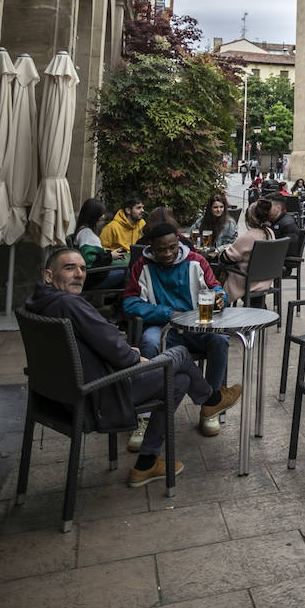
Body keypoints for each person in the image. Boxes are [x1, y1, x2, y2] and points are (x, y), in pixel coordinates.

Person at [27, 246, 242, 486]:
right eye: (69, 268)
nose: (79, 274)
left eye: (82, 268)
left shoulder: (36, 304)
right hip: (101, 395)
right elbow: (110, 344)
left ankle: (146, 463)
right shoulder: (69, 304)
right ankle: (210, 400)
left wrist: (126, 351)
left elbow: (97, 341)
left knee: (179, 380)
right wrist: (133, 357)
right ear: (48, 275)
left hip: (65, 395)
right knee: (180, 355)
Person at [124, 223, 235, 438]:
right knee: (149, 342)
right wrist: (167, 313)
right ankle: (145, 415)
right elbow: (130, 303)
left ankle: (208, 409)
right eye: (161, 249)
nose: (168, 253)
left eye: (172, 247)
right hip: (162, 326)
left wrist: (221, 298)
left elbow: (216, 288)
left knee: (220, 339)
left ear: (178, 243)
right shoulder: (142, 266)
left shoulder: (197, 261)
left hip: (196, 325)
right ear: (151, 248)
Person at [219, 198, 278, 302]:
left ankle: (220, 302)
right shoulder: (269, 232)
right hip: (266, 279)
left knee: (217, 270)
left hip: (248, 281)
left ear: (250, 217)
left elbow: (226, 258)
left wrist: (225, 249)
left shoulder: (249, 237)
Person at [73, 198, 128, 291]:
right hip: (94, 279)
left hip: (95, 276)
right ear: (93, 215)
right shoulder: (87, 234)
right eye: (101, 214)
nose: (103, 216)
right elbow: (90, 261)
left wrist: (110, 253)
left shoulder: (83, 231)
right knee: (131, 273)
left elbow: (94, 254)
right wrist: (110, 256)